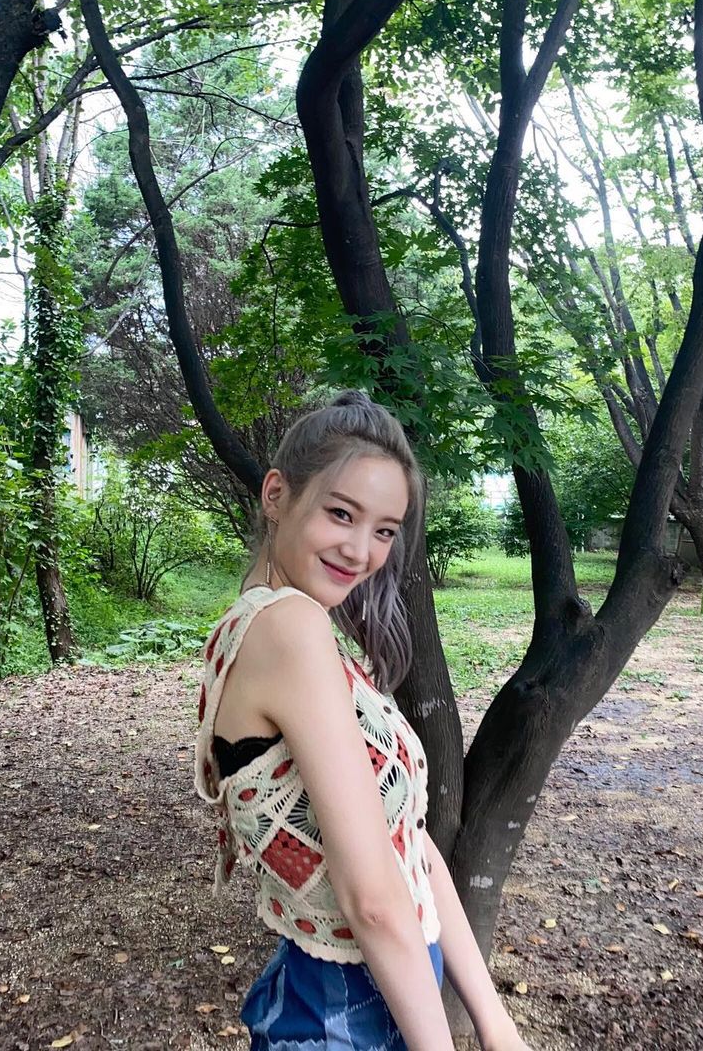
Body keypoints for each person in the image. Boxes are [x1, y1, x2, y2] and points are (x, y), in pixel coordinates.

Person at [194, 390, 529, 1050]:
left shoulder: (289, 629)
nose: (360, 550)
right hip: (340, 1022)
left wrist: (495, 1025)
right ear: (276, 494)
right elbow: (372, 901)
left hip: (370, 1009)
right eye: (341, 513)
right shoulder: (290, 629)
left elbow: (408, 850)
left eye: (384, 530)